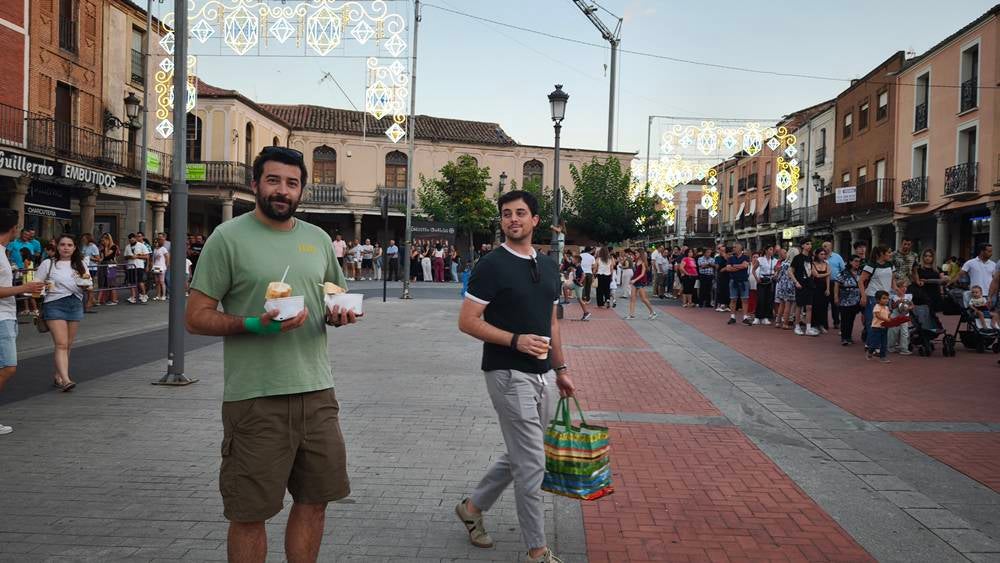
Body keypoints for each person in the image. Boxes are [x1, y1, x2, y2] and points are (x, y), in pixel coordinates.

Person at [185, 146, 357, 562]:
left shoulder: (316, 239)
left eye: (292, 183)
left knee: (315, 502)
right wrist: (252, 324)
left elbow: (334, 293)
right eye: (274, 180)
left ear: (302, 190)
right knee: (250, 513)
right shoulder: (228, 238)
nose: (283, 190)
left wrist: (339, 313)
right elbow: (195, 317)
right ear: (256, 184)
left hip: (317, 394)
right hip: (255, 398)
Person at [456, 190, 575, 563]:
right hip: (507, 374)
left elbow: (551, 323)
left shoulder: (550, 266)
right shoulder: (491, 264)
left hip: (541, 375)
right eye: (506, 214)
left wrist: (561, 369)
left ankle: (472, 508)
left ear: (535, 220)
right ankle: (537, 551)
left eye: (520, 213)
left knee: (524, 454)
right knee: (531, 464)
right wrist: (514, 341)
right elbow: (467, 321)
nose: (513, 219)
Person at [0, 210, 45, 434]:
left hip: (7, 315)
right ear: (13, 229)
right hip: (1, 318)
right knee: (8, 366)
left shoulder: (3, 252)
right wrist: (24, 288)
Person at [37, 234, 88, 392]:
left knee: (68, 344)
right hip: (54, 303)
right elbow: (36, 283)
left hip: (75, 303)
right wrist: (43, 286)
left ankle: (59, 375)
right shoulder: (48, 264)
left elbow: (88, 282)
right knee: (61, 343)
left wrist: (86, 285)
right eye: (62, 245)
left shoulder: (80, 264)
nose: (66, 248)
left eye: (69, 245)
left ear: (74, 248)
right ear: (57, 247)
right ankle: (66, 380)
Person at [859, 246, 898, 347]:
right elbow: (861, 281)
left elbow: (893, 280)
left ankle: (876, 343)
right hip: (873, 296)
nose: (890, 254)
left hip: (886, 297)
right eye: (888, 252)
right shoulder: (871, 265)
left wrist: (897, 290)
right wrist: (863, 296)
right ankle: (872, 344)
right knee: (873, 320)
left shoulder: (890, 265)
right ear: (881, 254)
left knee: (884, 320)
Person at [790, 240, 819, 336]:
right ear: (802, 245)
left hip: (809, 284)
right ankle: (797, 326)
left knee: (809, 306)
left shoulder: (810, 258)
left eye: (810, 244)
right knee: (799, 306)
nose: (809, 246)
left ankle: (808, 328)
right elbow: (790, 271)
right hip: (800, 284)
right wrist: (796, 282)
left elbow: (812, 271)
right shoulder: (797, 258)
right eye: (807, 244)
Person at [834, 255, 863, 346]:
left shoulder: (860, 273)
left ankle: (849, 336)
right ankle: (844, 337)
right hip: (845, 299)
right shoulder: (843, 273)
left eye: (858, 261)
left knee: (851, 319)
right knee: (845, 319)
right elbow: (837, 284)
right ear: (850, 262)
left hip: (856, 299)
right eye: (855, 261)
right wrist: (836, 296)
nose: (857, 263)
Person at [724, 243, 751, 325]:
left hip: (743, 281)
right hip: (733, 280)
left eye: (735, 247)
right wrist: (740, 266)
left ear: (740, 248)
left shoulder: (745, 257)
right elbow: (728, 268)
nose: (733, 248)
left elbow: (745, 266)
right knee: (733, 299)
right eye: (733, 247)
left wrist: (734, 266)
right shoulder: (730, 258)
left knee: (745, 299)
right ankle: (732, 317)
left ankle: (745, 317)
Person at [627, 249, 657, 320]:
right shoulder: (637, 261)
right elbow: (636, 272)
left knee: (643, 299)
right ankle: (631, 315)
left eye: (636, 253)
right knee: (632, 298)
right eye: (635, 253)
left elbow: (642, 274)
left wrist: (634, 279)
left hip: (640, 281)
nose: (635, 254)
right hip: (635, 281)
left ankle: (653, 312)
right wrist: (632, 279)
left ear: (640, 254)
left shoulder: (643, 262)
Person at [914, 249, 946, 313]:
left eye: (930, 256)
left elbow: (943, 280)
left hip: (935, 294)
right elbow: (916, 280)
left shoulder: (937, 269)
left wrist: (927, 281)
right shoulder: (918, 268)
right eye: (925, 256)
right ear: (922, 257)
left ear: (933, 257)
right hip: (922, 294)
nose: (927, 258)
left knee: (934, 316)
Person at [753, 245, 777, 325]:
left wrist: (775, 275)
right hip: (762, 280)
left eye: (772, 250)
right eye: (770, 249)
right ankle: (757, 317)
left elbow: (776, 270)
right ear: (766, 251)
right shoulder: (760, 259)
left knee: (768, 299)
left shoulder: (775, 260)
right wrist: (757, 279)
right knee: (761, 299)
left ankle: (765, 317)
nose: (772, 251)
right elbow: (753, 270)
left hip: (770, 281)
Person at [866, 290, 892, 362]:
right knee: (875, 343)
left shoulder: (886, 307)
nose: (886, 300)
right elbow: (878, 316)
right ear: (878, 299)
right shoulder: (877, 306)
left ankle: (882, 357)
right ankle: (870, 351)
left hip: (884, 327)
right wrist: (886, 320)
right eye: (884, 298)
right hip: (876, 327)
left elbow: (889, 315)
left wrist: (891, 319)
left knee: (884, 343)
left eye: (887, 298)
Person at [824, 241, 845, 330]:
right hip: (823, 283)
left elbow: (843, 269)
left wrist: (840, 280)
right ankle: (824, 323)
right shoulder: (821, 257)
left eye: (826, 246)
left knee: (835, 303)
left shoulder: (837, 257)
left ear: (831, 247)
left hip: (835, 283)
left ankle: (836, 322)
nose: (824, 248)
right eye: (823, 246)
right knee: (824, 304)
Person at [774, 247, 796, 329]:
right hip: (790, 284)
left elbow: (778, 275)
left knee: (781, 304)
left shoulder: (783, 263)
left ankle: (778, 322)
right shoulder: (793, 264)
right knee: (788, 304)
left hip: (782, 284)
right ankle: (785, 323)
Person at [811, 246, 832, 333]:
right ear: (817, 255)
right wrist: (827, 273)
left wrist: (828, 288)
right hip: (815, 287)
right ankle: (814, 325)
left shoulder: (827, 264)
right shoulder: (812, 264)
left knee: (824, 307)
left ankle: (822, 325)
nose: (823, 256)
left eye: (824, 254)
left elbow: (828, 278)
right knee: (815, 306)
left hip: (824, 288)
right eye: (821, 254)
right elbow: (816, 275)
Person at [125, 233, 149, 304]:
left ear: (135, 239)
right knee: (131, 282)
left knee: (140, 281)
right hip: (130, 266)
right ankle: (133, 296)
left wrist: (137, 256)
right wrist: (130, 257)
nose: (131, 241)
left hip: (139, 266)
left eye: (133, 239)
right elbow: (125, 257)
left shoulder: (141, 246)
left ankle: (144, 295)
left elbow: (147, 256)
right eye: (130, 240)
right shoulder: (127, 247)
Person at [98, 233, 119, 306]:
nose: (103, 242)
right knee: (105, 282)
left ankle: (114, 299)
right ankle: (105, 299)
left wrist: (106, 247)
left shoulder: (113, 247)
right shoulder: (102, 248)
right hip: (104, 264)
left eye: (105, 240)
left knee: (112, 282)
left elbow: (107, 255)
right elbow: (102, 258)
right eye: (103, 240)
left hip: (111, 265)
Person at [570, 254, 592, 321]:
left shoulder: (579, 267)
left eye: (573, 259)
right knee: (565, 287)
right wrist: (574, 274)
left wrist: (580, 282)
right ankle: (566, 301)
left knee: (580, 300)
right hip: (575, 284)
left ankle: (586, 312)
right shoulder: (576, 266)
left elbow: (583, 275)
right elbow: (575, 276)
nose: (572, 260)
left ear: (576, 261)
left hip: (578, 285)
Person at [151, 236, 169, 301]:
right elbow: (153, 259)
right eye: (154, 242)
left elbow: (167, 257)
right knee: (157, 281)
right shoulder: (155, 249)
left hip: (162, 266)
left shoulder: (163, 249)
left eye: (156, 242)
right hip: (156, 266)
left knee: (162, 281)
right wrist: (152, 265)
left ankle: (163, 295)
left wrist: (166, 266)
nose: (155, 243)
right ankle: (158, 295)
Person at [714, 245, 730, 312]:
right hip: (721, 275)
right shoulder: (717, 257)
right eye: (721, 250)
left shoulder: (728, 257)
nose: (722, 252)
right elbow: (717, 267)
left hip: (728, 275)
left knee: (727, 289)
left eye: (723, 250)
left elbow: (730, 263)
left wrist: (725, 256)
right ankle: (719, 304)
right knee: (720, 289)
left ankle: (726, 305)